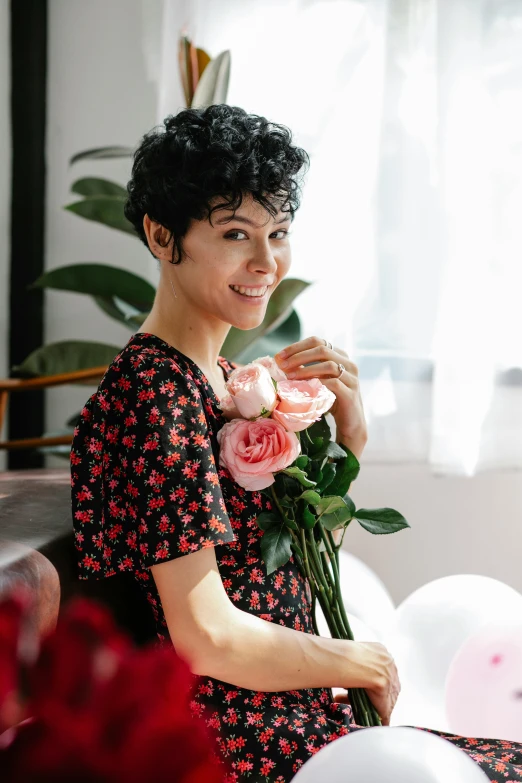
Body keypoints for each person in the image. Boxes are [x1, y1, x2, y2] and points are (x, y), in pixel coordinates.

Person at [70, 104, 522, 782]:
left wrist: (353, 438)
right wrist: (356, 659)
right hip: (242, 742)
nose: (266, 261)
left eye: (279, 233)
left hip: (298, 717)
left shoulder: (218, 380)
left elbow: (285, 577)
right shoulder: (156, 395)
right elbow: (207, 636)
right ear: (163, 237)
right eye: (235, 233)